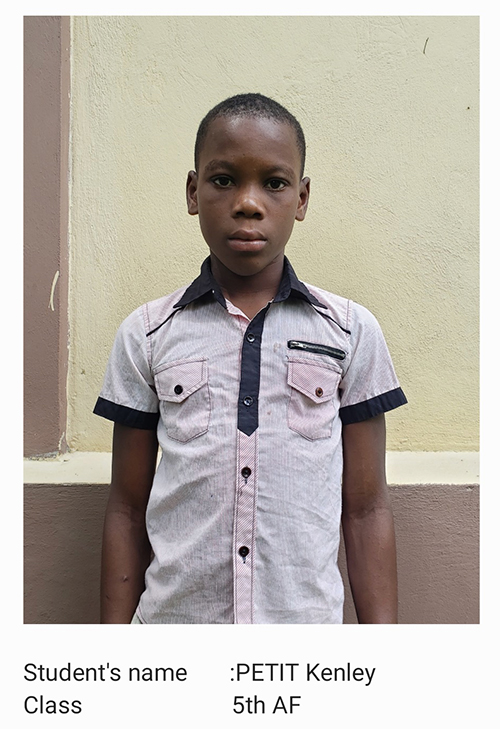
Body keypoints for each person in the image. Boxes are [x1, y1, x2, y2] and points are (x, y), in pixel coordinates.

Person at [94, 93, 407, 624]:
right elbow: (126, 510)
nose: (248, 203)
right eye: (223, 180)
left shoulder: (351, 331)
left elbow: (368, 508)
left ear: (302, 199)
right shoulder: (147, 333)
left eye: (275, 183)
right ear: (193, 192)